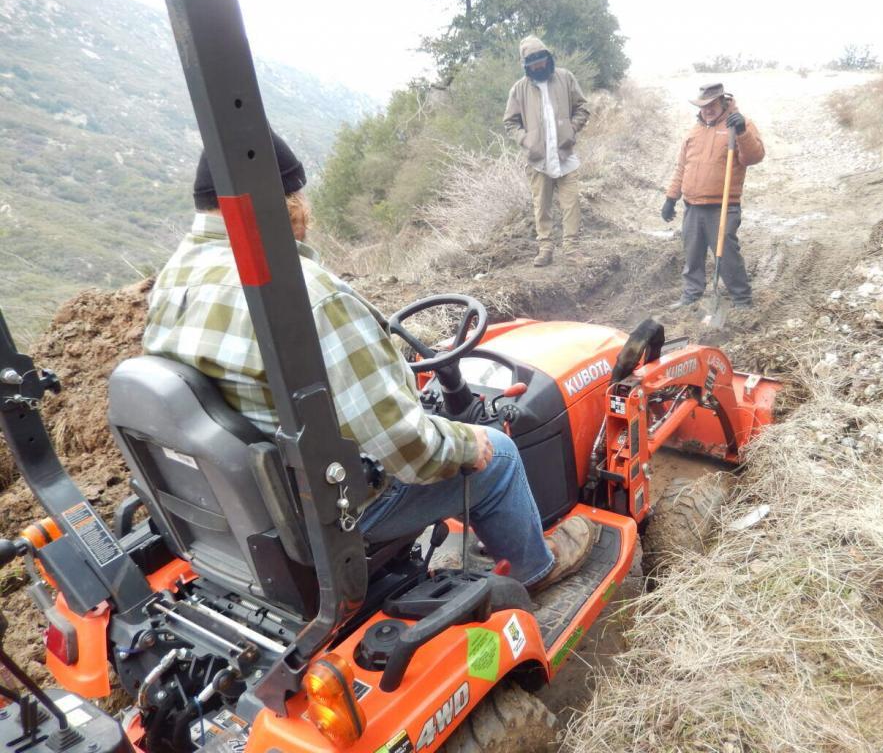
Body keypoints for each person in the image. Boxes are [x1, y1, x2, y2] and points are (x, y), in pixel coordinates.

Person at [142, 131, 597, 592]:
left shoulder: (173, 278)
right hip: (334, 512)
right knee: (497, 454)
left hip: (247, 507)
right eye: (299, 196)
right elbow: (405, 446)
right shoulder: (307, 296)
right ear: (287, 204)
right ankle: (535, 568)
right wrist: (467, 441)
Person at [660, 82, 765, 310]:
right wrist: (671, 198)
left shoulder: (739, 124)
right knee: (692, 251)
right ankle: (692, 294)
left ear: (722, 101)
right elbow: (682, 167)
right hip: (693, 205)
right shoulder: (694, 131)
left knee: (726, 251)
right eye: (703, 106)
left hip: (723, 205)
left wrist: (742, 133)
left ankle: (741, 298)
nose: (706, 110)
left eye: (711, 105)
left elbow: (754, 157)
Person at [503, 36, 590, 268]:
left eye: (541, 61)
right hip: (537, 160)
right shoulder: (518, 90)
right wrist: (526, 139)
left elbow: (583, 108)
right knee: (541, 206)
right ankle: (546, 249)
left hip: (565, 155)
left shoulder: (565, 78)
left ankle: (571, 249)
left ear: (547, 58)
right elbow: (510, 122)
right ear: (526, 66)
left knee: (571, 205)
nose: (538, 66)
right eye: (533, 64)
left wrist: (571, 129)